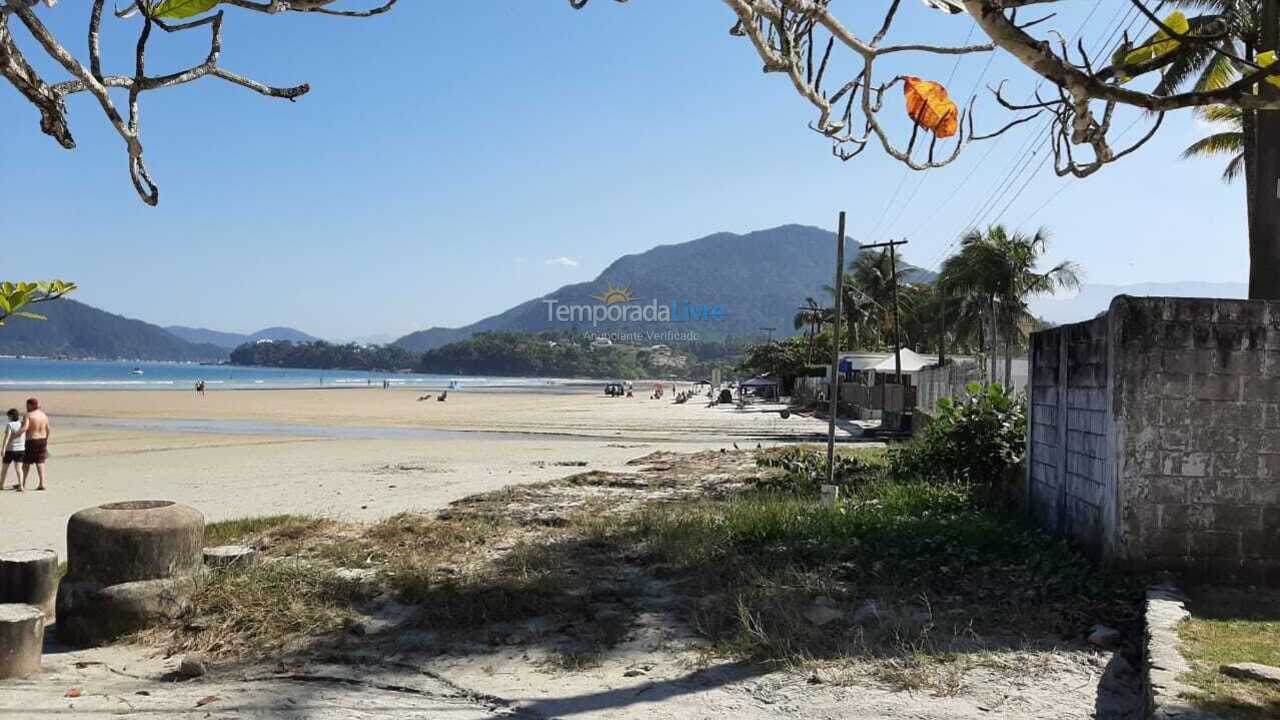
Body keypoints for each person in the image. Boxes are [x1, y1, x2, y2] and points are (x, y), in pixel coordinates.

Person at [17, 397, 50, 491]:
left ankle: (22, 484)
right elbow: (48, 429)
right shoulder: (43, 415)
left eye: (27, 405)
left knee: (26, 463)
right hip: (43, 439)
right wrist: (46, 438)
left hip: (32, 440)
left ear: (30, 405)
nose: (26, 407)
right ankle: (42, 483)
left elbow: (25, 428)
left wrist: (15, 435)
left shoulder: (28, 415)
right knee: (40, 462)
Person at [1, 409, 25, 491]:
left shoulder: (10, 424)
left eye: (8, 416)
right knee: (19, 469)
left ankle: (1, 485)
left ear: (11, 416)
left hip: (10, 450)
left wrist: (3, 448)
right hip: (21, 449)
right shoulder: (22, 424)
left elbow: (6, 438)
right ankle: (21, 485)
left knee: (4, 469)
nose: (8, 418)